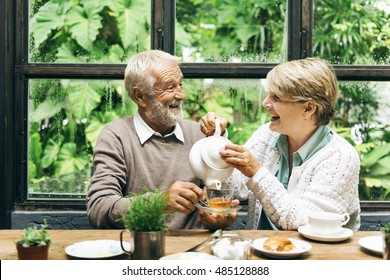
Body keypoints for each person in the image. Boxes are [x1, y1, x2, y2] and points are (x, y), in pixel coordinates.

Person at [200, 58, 361, 231]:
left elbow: (305, 222)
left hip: (314, 256)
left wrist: (257, 173)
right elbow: (234, 187)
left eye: (276, 97)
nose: (265, 103)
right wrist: (217, 140)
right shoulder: (267, 135)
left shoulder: (341, 157)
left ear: (308, 108)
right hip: (261, 251)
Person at [86, 50, 237, 230]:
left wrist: (218, 219)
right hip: (141, 250)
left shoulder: (199, 134)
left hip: (192, 252)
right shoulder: (116, 136)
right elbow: (98, 209)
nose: (181, 95)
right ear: (140, 96)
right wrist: (159, 202)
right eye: (169, 87)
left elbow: (218, 196)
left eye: (180, 84)